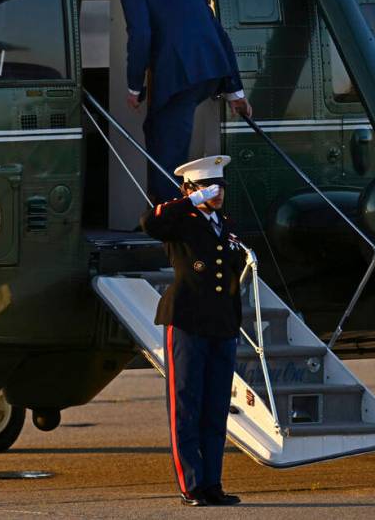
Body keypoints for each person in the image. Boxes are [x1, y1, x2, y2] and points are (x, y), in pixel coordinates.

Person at [110, 0, 252, 203]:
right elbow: (221, 36)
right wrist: (235, 92)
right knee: (159, 130)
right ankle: (172, 207)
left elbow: (140, 34)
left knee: (166, 146)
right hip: (209, 74)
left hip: (179, 76)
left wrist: (134, 86)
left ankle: (168, 215)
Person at [140, 155, 245, 507]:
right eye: (208, 188)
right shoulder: (180, 220)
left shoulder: (224, 223)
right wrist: (191, 201)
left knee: (215, 409)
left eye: (220, 188)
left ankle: (212, 483)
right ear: (189, 189)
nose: (217, 194)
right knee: (186, 406)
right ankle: (192, 485)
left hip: (222, 324)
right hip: (187, 321)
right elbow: (149, 222)